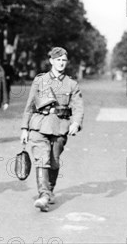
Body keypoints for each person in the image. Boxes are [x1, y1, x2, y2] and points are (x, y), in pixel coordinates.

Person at [20, 47, 83, 212]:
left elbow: (78, 107)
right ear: (51, 61)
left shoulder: (71, 83)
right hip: (39, 125)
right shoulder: (40, 80)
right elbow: (29, 106)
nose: (61, 63)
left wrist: (75, 123)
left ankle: (49, 189)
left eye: (64, 60)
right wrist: (24, 128)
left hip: (61, 127)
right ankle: (44, 195)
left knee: (54, 161)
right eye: (58, 60)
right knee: (42, 160)